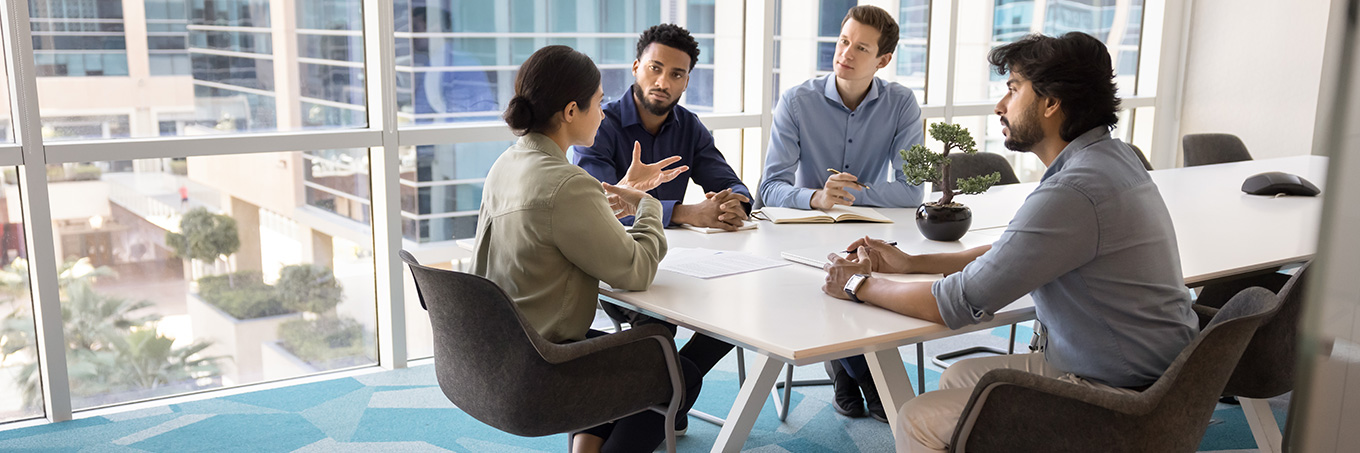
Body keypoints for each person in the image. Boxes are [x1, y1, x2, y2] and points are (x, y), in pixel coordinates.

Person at [820, 32, 1199, 452]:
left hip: (1120, 395)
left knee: (918, 419)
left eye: (1013, 89)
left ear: (1051, 103)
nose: (1001, 106)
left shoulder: (1073, 190)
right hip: (1162, 374)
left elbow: (956, 304)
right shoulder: (1111, 157)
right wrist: (912, 264)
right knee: (959, 377)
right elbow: (1016, 253)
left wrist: (857, 284)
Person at [471, 45, 699, 453]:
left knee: (646, 347)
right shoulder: (567, 183)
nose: (605, 112)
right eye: (599, 102)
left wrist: (615, 197)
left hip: (500, 352)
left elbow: (560, 234)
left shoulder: (507, 163)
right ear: (571, 111)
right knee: (678, 372)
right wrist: (648, 205)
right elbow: (636, 271)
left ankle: (586, 449)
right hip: (545, 365)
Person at [571, 23, 750, 433]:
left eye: (676, 74)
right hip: (619, 270)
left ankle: (667, 395)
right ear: (636, 67)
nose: (662, 82)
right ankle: (668, 398)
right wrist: (684, 213)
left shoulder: (689, 126)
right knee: (658, 328)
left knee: (737, 314)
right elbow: (598, 204)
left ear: (687, 79)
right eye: (655, 68)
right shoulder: (600, 124)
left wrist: (732, 203)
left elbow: (727, 179)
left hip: (686, 265)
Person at [757, 4, 927, 423]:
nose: (845, 53)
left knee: (862, 272)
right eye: (843, 41)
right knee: (841, 277)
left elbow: (911, 189)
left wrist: (852, 195)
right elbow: (769, 189)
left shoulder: (901, 104)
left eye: (861, 48)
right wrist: (816, 198)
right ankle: (868, 380)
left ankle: (844, 373)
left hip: (867, 234)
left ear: (882, 60)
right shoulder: (797, 101)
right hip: (803, 234)